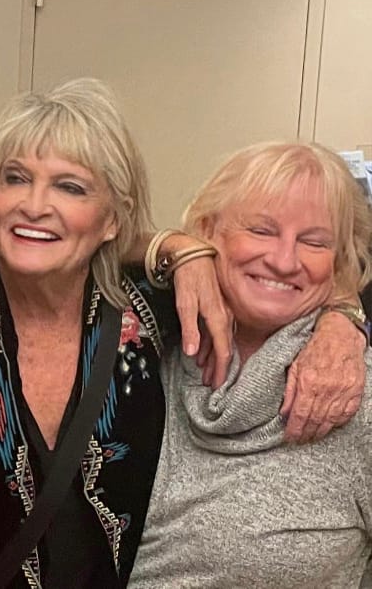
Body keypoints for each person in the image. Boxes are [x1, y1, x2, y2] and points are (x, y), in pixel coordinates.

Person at [0, 83, 369, 588]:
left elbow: (287, 281)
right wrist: (183, 249)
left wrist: (342, 320)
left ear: (113, 219)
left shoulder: (153, 314)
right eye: (16, 178)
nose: (35, 204)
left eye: (70, 187)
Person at [128, 142, 372, 587]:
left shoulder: (351, 388)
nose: (283, 260)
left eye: (314, 242)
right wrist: (175, 248)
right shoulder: (145, 338)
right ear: (208, 230)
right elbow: (81, 239)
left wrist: (345, 317)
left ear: (339, 261)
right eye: (261, 230)